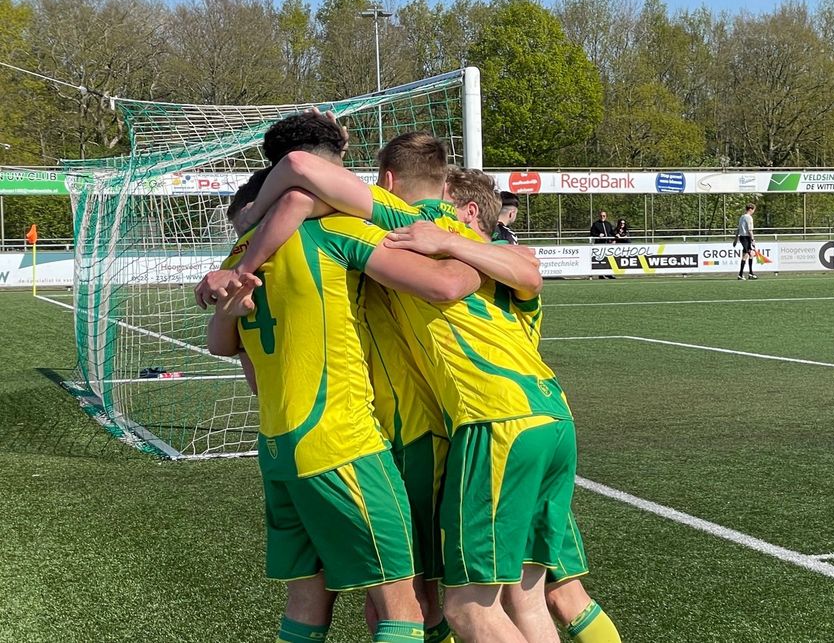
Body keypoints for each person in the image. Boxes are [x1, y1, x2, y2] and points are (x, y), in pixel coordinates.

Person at [199, 130, 541, 643]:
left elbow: (227, 350)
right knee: (406, 604)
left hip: (278, 447)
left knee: (309, 601)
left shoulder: (235, 261)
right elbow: (446, 283)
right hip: (348, 437)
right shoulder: (338, 229)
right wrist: (471, 255)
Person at [385, 171, 578, 643]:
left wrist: (440, 239)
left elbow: (483, 276)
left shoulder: (461, 257)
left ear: (467, 213)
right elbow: (527, 270)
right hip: (552, 416)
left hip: (496, 421)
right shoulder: (506, 264)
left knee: (467, 607)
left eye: (442, 207)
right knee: (529, 597)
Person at [735, 203, 757, 280]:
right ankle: (741, 274)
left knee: (750, 254)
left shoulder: (742, 217)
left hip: (742, 237)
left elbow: (738, 229)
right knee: (747, 254)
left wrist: (735, 239)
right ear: (750, 209)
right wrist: (753, 240)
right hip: (746, 237)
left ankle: (750, 273)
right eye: (754, 210)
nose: (753, 211)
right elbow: (750, 230)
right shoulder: (749, 218)